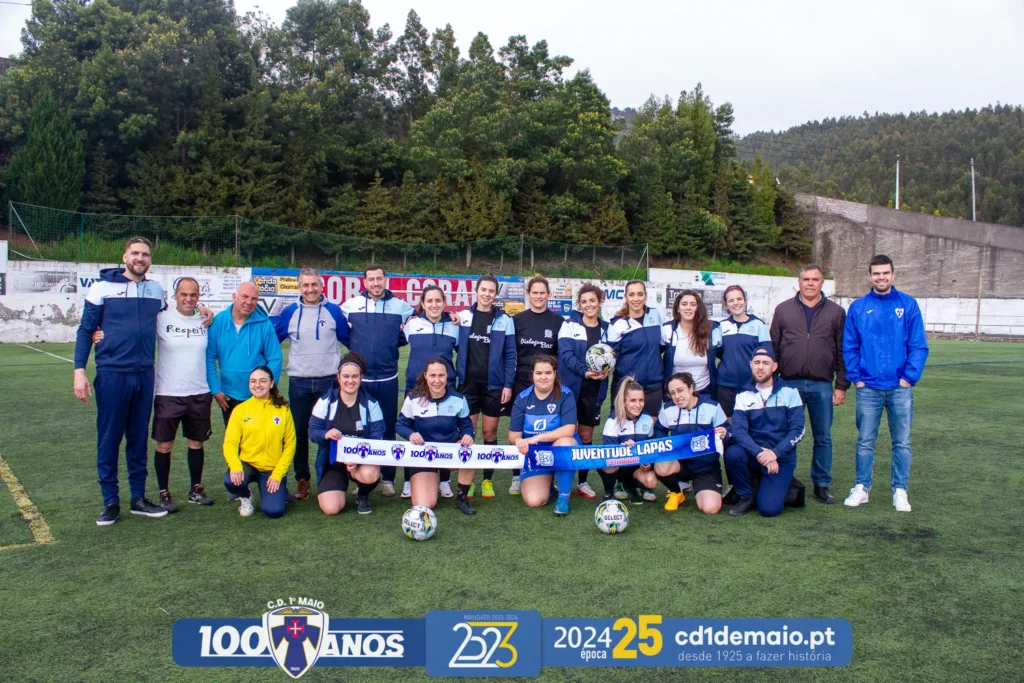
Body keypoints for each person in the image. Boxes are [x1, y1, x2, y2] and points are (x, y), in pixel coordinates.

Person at [89, 275, 216, 513]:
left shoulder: (206, 319)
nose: (189, 299)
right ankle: (164, 493)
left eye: (194, 295)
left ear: (199, 297)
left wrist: (204, 309)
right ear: (174, 296)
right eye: (184, 294)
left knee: (196, 442)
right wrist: (100, 332)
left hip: (199, 391)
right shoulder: (160, 318)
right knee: (164, 445)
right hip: (168, 392)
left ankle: (196, 490)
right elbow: (130, 326)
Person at [73, 237, 169, 525]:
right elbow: (85, 329)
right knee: (110, 439)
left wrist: (204, 313)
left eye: (145, 254)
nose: (140, 258)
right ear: (125, 256)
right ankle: (110, 502)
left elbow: (171, 320)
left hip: (144, 374)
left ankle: (138, 499)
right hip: (113, 374)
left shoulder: (156, 290)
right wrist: (79, 370)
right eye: (135, 253)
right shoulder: (102, 288)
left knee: (138, 439)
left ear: (150, 260)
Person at [842, 255, 928, 512]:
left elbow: (918, 345)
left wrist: (908, 378)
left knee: (902, 442)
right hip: (868, 387)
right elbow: (850, 346)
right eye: (876, 273)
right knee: (865, 441)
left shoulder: (908, 305)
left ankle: (900, 490)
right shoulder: (858, 307)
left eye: (885, 273)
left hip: (899, 387)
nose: (881, 277)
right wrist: (856, 379)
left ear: (893, 275)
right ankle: (862, 487)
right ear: (869, 276)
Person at [770, 265, 849, 505]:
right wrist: (773, 383)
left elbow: (842, 350)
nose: (810, 283)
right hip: (789, 383)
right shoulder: (783, 310)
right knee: (784, 434)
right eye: (806, 279)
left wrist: (841, 385)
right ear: (799, 282)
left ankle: (821, 483)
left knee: (823, 436)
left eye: (815, 279)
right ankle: (783, 479)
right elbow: (774, 347)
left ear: (822, 283)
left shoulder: (836, 312)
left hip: (822, 385)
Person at [272, 267, 350, 501]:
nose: (310, 289)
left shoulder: (334, 311)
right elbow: (271, 336)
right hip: (299, 383)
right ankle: (303, 480)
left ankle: (328, 477)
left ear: (321, 285)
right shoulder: (290, 312)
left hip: (329, 383)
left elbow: (350, 339)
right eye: (305, 285)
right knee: (299, 434)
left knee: (330, 433)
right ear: (299, 287)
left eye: (314, 284)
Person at [340, 265, 416, 498]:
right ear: (364, 282)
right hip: (360, 381)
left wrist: (393, 343)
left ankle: (388, 478)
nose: (376, 283)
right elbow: (344, 333)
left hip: (388, 378)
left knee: (387, 428)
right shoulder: (350, 306)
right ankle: (360, 477)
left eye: (379, 278)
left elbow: (413, 324)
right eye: (371, 279)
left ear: (385, 280)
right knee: (360, 428)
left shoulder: (401, 306)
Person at [724, 348, 806, 518]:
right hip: (755, 454)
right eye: (756, 363)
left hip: (781, 457)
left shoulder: (790, 393)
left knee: (769, 510)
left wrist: (775, 453)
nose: (760, 367)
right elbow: (738, 432)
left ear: (774, 366)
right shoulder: (743, 394)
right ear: (751, 365)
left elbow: (798, 430)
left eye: (765, 363)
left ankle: (784, 484)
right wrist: (761, 454)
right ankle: (746, 496)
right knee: (733, 453)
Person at [456, 275, 516, 500]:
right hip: (468, 386)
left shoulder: (505, 320)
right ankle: (467, 482)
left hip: (494, 386)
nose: (487, 294)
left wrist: (507, 385)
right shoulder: (463, 317)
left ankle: (487, 480)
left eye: (491, 291)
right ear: (476, 290)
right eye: (484, 290)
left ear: (495, 294)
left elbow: (510, 355)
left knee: (489, 433)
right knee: (468, 434)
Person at [401, 285, 462, 498]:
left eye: (438, 300)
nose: (434, 305)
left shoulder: (455, 326)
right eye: (429, 301)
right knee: (413, 432)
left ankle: (444, 479)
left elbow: (461, 353)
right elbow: (398, 341)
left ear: (444, 303)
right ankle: (409, 479)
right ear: (423, 303)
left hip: (445, 387)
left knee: (446, 432)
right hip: (415, 388)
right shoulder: (412, 324)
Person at [396, 358, 477, 515]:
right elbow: (400, 425)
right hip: (424, 455)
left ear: (447, 376)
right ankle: (434, 482)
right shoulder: (413, 399)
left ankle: (462, 498)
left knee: (470, 449)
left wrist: (467, 436)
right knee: (425, 504)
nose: (437, 380)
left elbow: (466, 425)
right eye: (433, 375)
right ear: (426, 376)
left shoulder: (458, 399)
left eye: (441, 375)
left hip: (449, 451)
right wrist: (411, 434)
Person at [308, 352, 384, 515]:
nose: (350, 381)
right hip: (333, 463)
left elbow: (377, 439)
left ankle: (362, 494)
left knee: (370, 474)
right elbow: (313, 431)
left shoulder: (371, 405)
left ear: (361, 377)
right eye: (346, 376)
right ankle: (337, 486)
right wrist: (326, 434)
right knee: (331, 509)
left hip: (361, 461)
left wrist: (357, 459)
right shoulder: (325, 402)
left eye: (355, 376)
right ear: (338, 377)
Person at [509, 276, 565, 495]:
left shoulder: (558, 322)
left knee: (550, 427)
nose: (539, 296)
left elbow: (562, 355)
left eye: (543, 293)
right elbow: (509, 353)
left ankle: (552, 472)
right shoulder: (518, 320)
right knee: (520, 429)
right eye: (535, 292)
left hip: (547, 384)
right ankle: (517, 474)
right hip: (522, 383)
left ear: (549, 295)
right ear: (528, 294)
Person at [509, 355, 579, 516]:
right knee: (534, 501)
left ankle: (563, 496)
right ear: (532, 374)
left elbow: (568, 430)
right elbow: (513, 435)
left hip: (559, 447)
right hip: (535, 455)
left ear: (555, 374)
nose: (543, 377)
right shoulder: (522, 398)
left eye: (548, 372)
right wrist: (519, 441)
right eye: (539, 373)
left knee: (565, 443)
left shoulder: (566, 394)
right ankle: (549, 487)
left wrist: (536, 438)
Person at [222, 366, 296, 518]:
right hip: (247, 463)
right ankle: (246, 495)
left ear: (271, 383)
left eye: (263, 381)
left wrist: (277, 474)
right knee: (231, 481)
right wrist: (235, 466)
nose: (257, 385)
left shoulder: (283, 409)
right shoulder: (240, 410)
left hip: (271, 468)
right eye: (253, 381)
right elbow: (230, 442)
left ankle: (274, 490)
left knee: (274, 511)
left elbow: (290, 444)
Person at [557, 284, 609, 499]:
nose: (588, 305)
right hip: (569, 390)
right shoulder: (569, 326)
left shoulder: (607, 328)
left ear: (599, 302)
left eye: (592, 300)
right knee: (565, 435)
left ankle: (583, 482)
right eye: (584, 301)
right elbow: (566, 356)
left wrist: (607, 370)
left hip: (593, 390)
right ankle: (560, 482)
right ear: (580, 304)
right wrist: (585, 372)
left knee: (586, 436)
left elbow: (612, 355)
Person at [206, 281, 283, 424]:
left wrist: (268, 388)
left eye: (254, 299)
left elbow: (275, 358)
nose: (249, 302)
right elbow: (209, 358)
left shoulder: (264, 325)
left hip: (257, 396)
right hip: (228, 397)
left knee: (257, 442)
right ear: (234, 296)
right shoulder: (218, 322)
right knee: (234, 441)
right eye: (245, 297)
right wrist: (216, 390)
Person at [653, 373, 730, 514]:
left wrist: (725, 433)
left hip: (705, 468)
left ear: (691, 388)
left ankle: (701, 487)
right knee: (661, 464)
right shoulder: (668, 409)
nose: (677, 396)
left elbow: (728, 432)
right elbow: (659, 430)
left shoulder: (712, 407)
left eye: (680, 390)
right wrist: (666, 447)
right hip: (679, 465)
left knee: (711, 508)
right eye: (672, 393)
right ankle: (676, 492)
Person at [608, 281, 664, 415]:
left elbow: (658, 347)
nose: (636, 299)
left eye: (640, 294)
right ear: (626, 297)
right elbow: (611, 356)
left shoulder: (654, 314)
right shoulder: (617, 323)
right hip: (626, 387)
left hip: (653, 386)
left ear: (645, 296)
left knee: (651, 430)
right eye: (631, 295)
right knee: (624, 430)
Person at [597, 379, 654, 505]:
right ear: (624, 402)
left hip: (636, 466)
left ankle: (630, 487)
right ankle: (609, 492)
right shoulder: (613, 421)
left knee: (651, 480)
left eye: (641, 400)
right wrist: (622, 448)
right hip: (618, 466)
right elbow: (608, 453)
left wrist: (648, 462)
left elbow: (650, 447)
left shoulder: (647, 419)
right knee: (611, 463)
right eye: (633, 400)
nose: (638, 405)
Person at [715, 285, 770, 416]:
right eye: (731, 300)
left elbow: (766, 354)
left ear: (745, 301)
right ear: (726, 305)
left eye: (739, 299)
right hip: (725, 385)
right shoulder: (721, 326)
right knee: (727, 425)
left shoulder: (759, 325)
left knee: (750, 423)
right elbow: (718, 353)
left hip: (750, 384)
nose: (736, 303)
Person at [662, 289, 720, 400]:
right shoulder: (667, 330)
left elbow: (723, 353)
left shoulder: (712, 329)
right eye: (684, 304)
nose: (688, 308)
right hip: (677, 394)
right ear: (678, 308)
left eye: (693, 304)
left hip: (704, 392)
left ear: (698, 308)